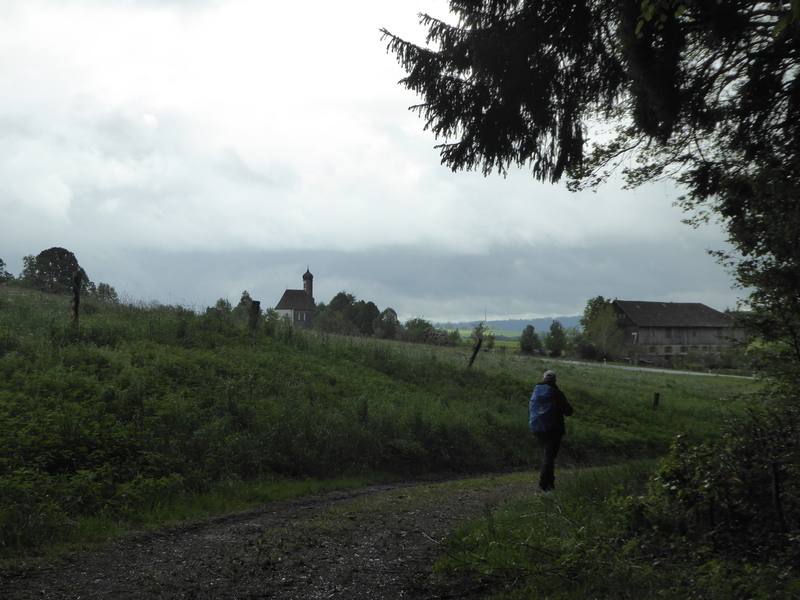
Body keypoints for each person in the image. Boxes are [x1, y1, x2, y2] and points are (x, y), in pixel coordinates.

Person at [529, 370, 573, 492]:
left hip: (538, 428)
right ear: (554, 380)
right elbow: (569, 412)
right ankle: (543, 484)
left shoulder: (536, 391)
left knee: (546, 455)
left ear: (543, 378)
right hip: (554, 430)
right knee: (549, 457)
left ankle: (550, 484)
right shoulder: (557, 393)